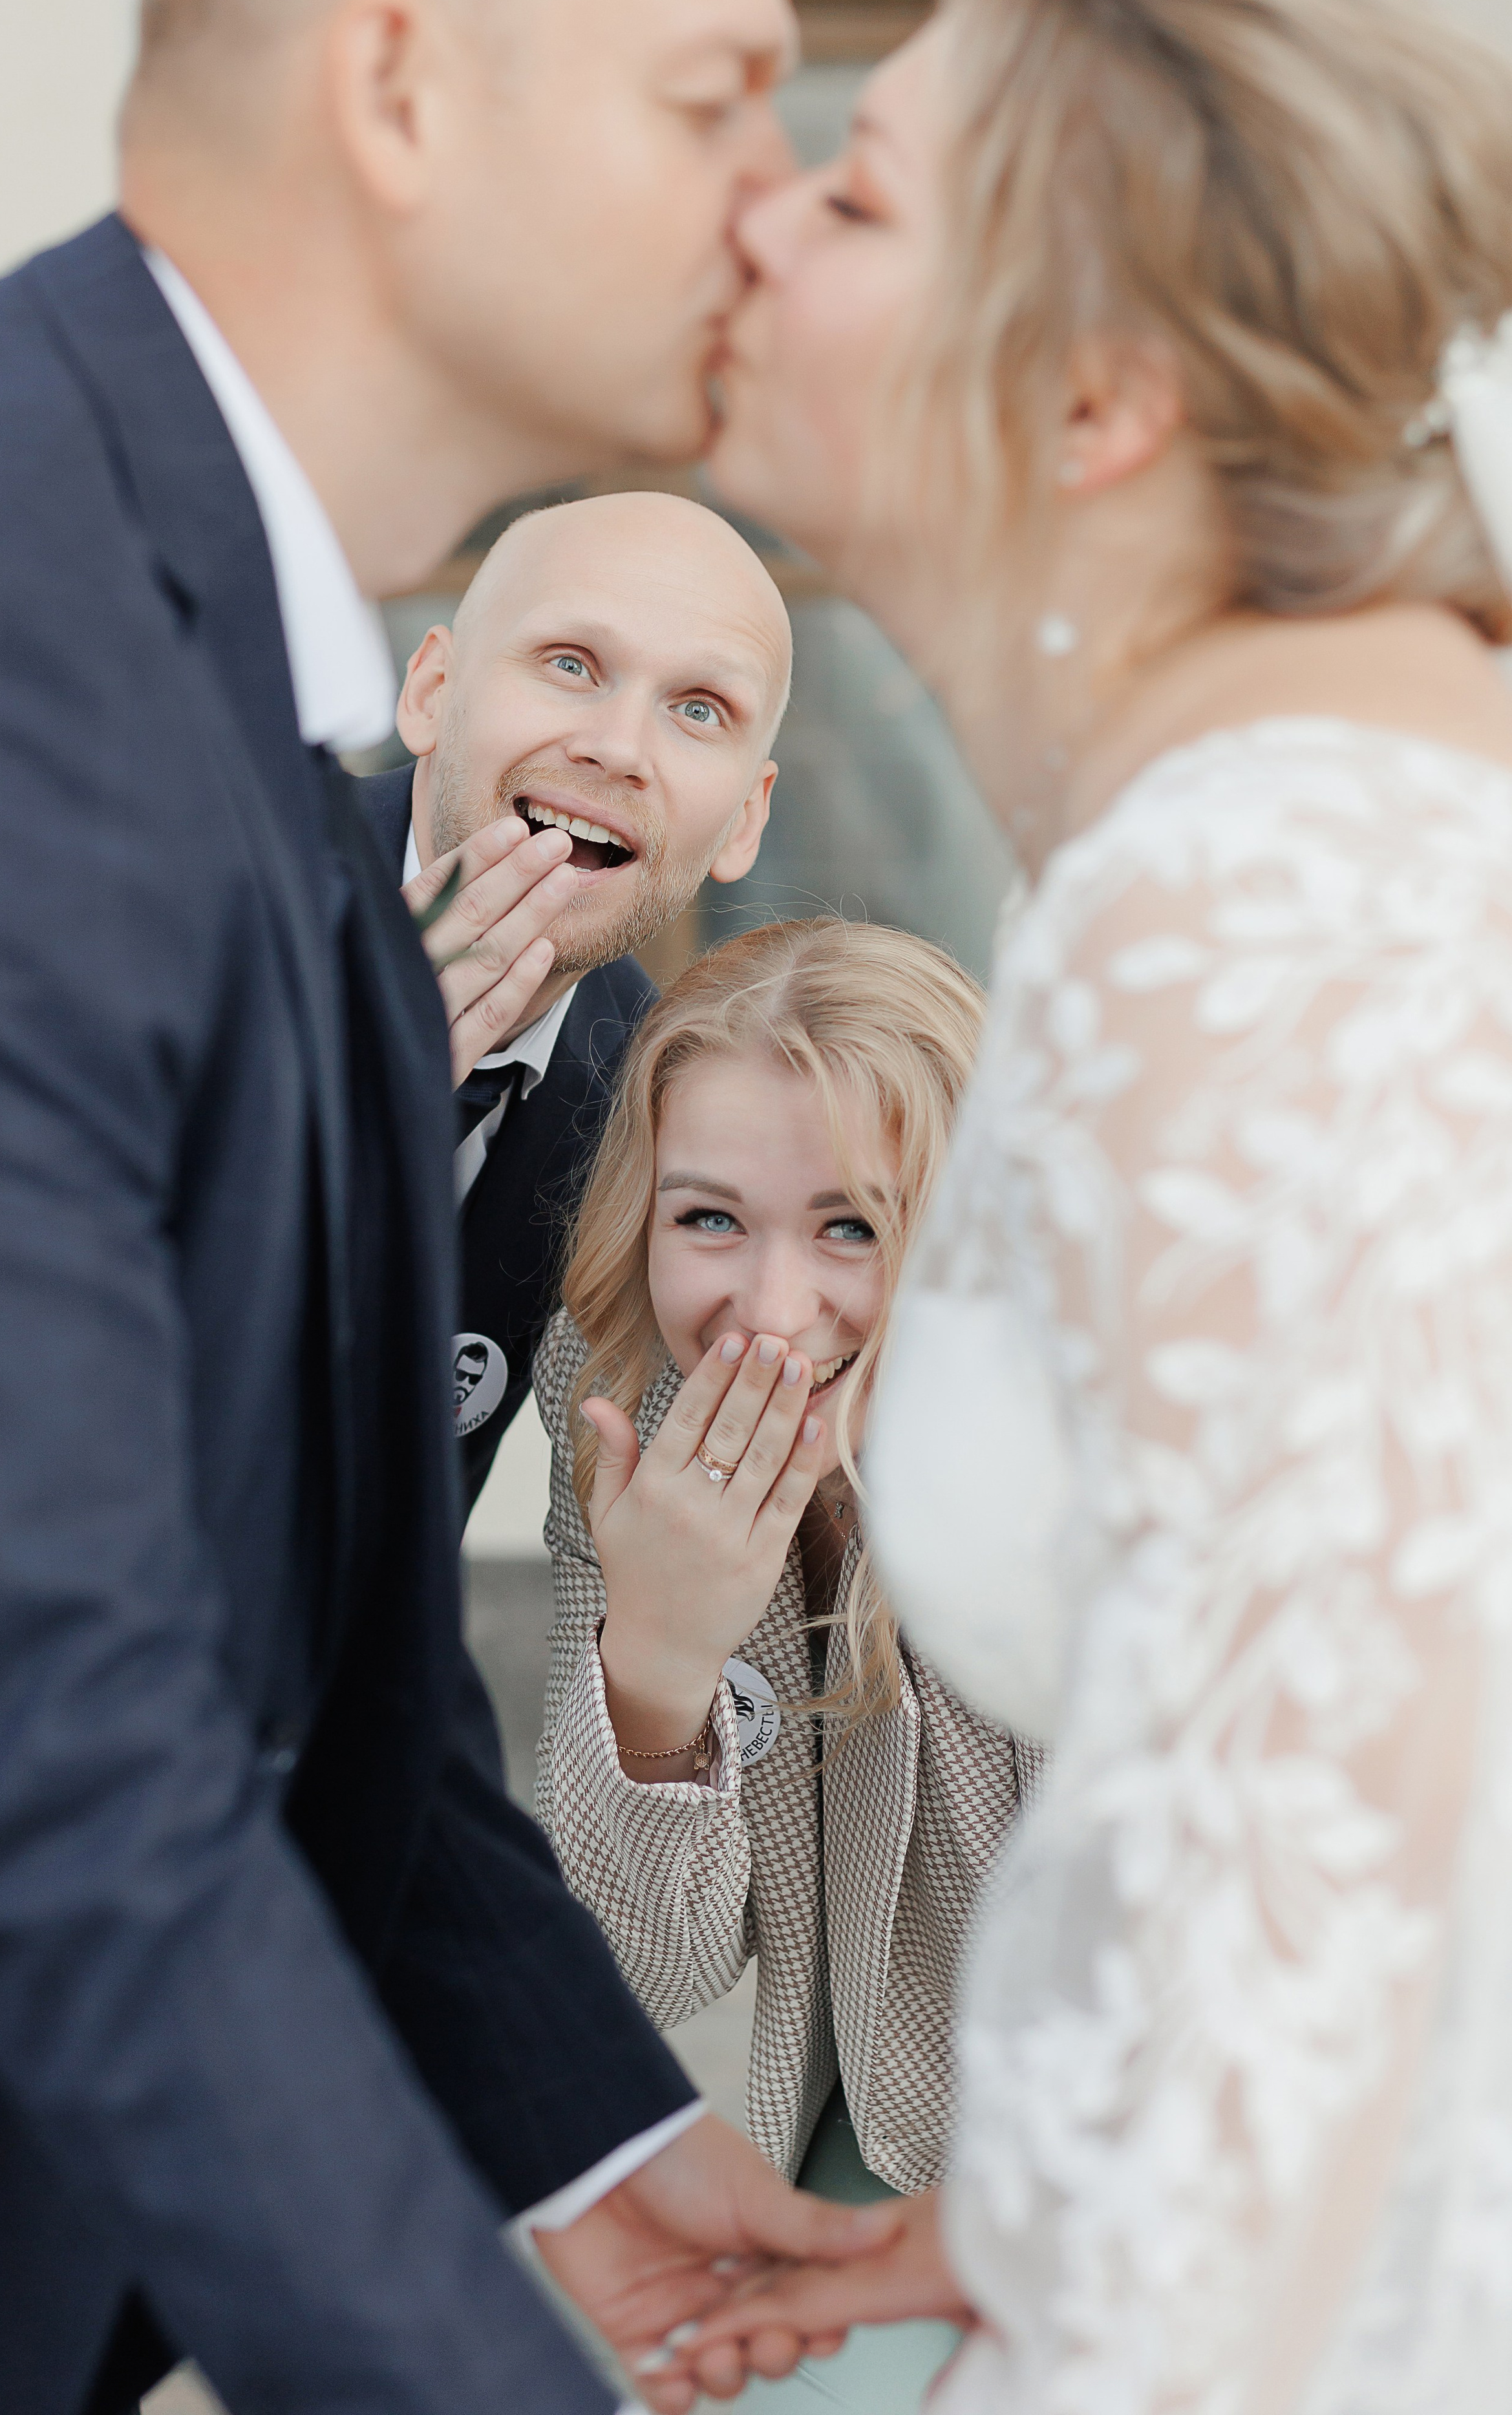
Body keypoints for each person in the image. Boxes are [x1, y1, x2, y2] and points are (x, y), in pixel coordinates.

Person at [0, 0, 903, 2413]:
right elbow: (42, 1702)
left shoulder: (203, 653)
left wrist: (586, 2133)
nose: (774, 206)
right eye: (713, 103)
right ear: (403, 92)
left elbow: (322, 1636)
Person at [655, 0, 1512, 2405]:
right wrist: (1020, 2210)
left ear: (1099, 395)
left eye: (858, 199)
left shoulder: (1240, 899)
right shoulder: (1297, 830)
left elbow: (1311, 1891)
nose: (761, 217)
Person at [533, 918, 1042, 2408]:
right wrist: (660, 1659)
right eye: (708, 1219)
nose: (767, 1315)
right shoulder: (622, 1401)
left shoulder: (1098, 1450)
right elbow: (643, 1970)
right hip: (872, 2125)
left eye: (851, 1228)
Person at [357, 491, 791, 1505]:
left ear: (745, 820)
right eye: (570, 665)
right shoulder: (182, 912)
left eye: (698, 709)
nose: (619, 748)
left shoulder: (656, 1104)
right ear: (431, 692)